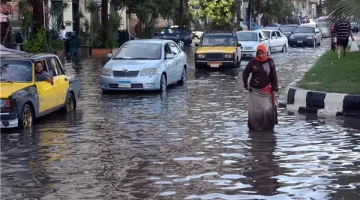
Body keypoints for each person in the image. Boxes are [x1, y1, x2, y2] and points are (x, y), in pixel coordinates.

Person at [242, 44, 278, 131]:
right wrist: (246, 85)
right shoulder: (253, 62)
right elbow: (245, 73)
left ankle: (267, 128)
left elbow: (274, 75)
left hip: (266, 90)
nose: (261, 55)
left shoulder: (270, 62)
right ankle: (255, 128)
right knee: (255, 110)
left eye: (262, 53)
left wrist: (275, 89)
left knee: (266, 109)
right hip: (254, 90)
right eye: (259, 53)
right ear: (257, 53)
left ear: (265, 52)